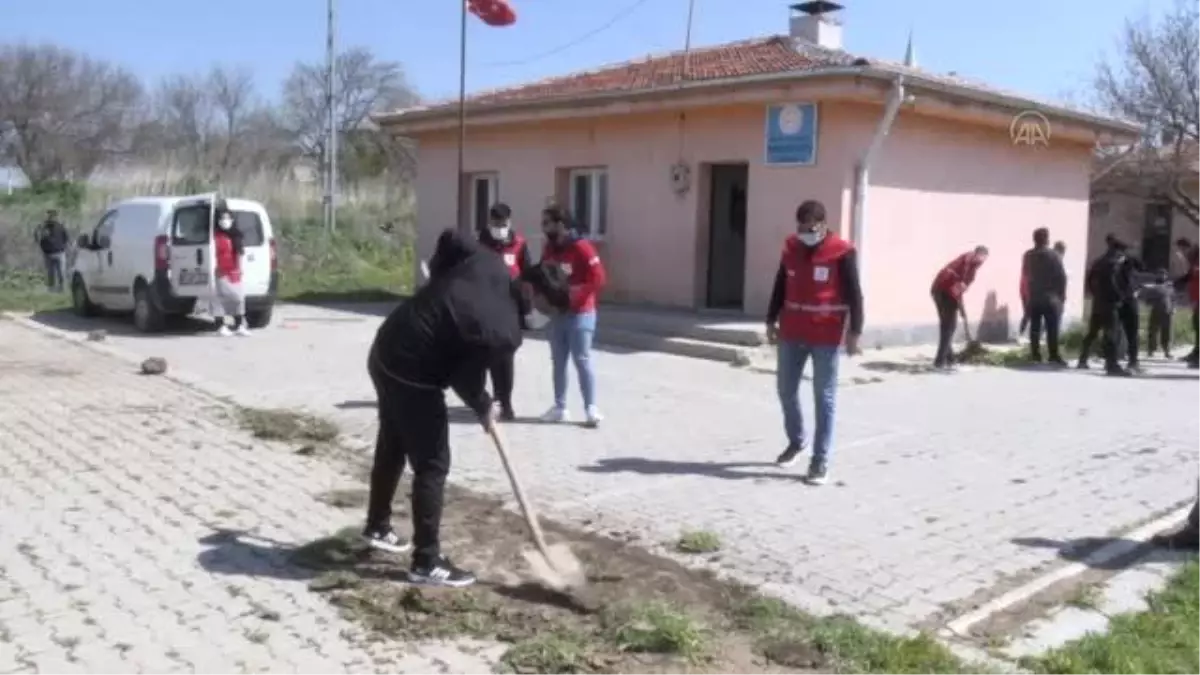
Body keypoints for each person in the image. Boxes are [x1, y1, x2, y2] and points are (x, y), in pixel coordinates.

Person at [362, 228, 521, 587]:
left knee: (393, 443)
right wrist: (483, 404)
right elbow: (463, 377)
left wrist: (482, 402)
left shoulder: (489, 270)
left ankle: (377, 526)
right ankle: (427, 561)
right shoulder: (492, 319)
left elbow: (452, 238)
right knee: (432, 464)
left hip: (387, 349)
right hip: (411, 370)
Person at [765, 200, 863, 486]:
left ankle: (820, 461)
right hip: (792, 332)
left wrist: (855, 331)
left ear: (822, 225)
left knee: (824, 397)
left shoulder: (841, 251)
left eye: (809, 227)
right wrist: (770, 319)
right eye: (800, 227)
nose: (804, 232)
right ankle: (797, 441)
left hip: (826, 336)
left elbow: (855, 294)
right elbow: (780, 284)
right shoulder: (791, 248)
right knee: (785, 390)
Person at [538, 205, 608, 427]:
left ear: (561, 224)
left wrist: (575, 293)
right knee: (558, 361)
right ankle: (560, 407)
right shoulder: (549, 248)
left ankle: (591, 408)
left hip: (581, 314)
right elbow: (545, 273)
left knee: (582, 359)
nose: (544, 227)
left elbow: (598, 278)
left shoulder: (582, 247)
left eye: (547, 223)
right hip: (558, 314)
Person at [477, 203, 532, 421]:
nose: (500, 227)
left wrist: (527, 308)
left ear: (509, 222)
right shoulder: (480, 244)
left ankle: (505, 402)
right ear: (489, 222)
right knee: (485, 357)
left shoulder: (519, 244)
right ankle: (483, 400)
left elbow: (527, 276)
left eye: (503, 223)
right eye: (496, 223)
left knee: (505, 358)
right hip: (484, 309)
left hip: (510, 309)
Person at [1076, 237, 1129, 376]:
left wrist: (1095, 294)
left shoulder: (1098, 262)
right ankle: (1111, 364)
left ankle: (1083, 359)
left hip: (1098, 302)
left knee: (1092, 332)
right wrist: (1120, 296)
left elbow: (1089, 280)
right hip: (1110, 303)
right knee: (1111, 332)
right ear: (1118, 251)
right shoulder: (1113, 263)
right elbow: (1112, 283)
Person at [930, 246, 989, 370]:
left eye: (984, 258)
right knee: (949, 327)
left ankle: (949, 358)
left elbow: (960, 288)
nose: (982, 260)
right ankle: (939, 361)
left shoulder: (969, 266)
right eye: (981, 256)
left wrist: (960, 304)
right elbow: (958, 284)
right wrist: (959, 304)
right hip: (945, 291)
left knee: (947, 326)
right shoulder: (968, 260)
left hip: (938, 290)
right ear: (977, 254)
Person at [1021, 227, 1068, 365]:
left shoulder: (1028, 255)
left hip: (1034, 295)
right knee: (1052, 327)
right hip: (1050, 296)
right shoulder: (1053, 255)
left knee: (1035, 326)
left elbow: (1026, 273)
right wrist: (1062, 296)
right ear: (1047, 239)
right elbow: (1062, 277)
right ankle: (1053, 355)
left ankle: (1035, 354)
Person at [211, 206, 249, 337]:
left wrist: (240, 269)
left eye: (227, 218)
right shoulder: (215, 235)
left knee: (239, 298)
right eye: (222, 218)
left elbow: (240, 253)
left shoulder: (236, 235)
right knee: (221, 298)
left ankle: (239, 325)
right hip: (221, 271)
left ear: (232, 219)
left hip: (235, 271)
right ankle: (220, 325)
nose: (224, 221)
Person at [1113, 235, 1145, 371]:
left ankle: (1117, 360)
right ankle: (1131, 361)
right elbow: (1140, 271)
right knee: (1130, 333)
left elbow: (1141, 268)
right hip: (1127, 300)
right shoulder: (1125, 263)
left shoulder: (1111, 262)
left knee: (1118, 332)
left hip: (1117, 300)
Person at [1173, 238, 1200, 366]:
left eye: (1182, 249)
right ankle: (1197, 351)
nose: (1181, 252)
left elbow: (1193, 274)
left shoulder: (1197, 257)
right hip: (1196, 296)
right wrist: (1176, 282)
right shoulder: (1193, 258)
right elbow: (1189, 275)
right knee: (1196, 324)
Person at [1138, 268, 1175, 359]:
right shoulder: (1152, 287)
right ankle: (1151, 350)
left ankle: (1167, 350)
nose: (1162, 276)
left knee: (1166, 332)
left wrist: (1173, 308)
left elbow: (1173, 298)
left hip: (1167, 311)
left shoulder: (1169, 286)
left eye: (1164, 274)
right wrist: (1152, 303)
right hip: (1155, 311)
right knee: (1153, 331)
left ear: (1166, 276)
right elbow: (1147, 300)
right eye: (1160, 274)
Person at [34, 209, 70, 293]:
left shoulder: (60, 226)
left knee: (61, 273)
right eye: (49, 215)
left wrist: (63, 247)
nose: (50, 217)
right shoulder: (43, 227)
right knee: (51, 273)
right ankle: (51, 289)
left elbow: (66, 238)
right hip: (48, 253)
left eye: (52, 216)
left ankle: (62, 289)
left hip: (59, 252)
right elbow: (37, 237)